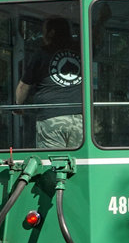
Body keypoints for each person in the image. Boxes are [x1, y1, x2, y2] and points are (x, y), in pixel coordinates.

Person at [16, 16, 83, 149]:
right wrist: (101, 20)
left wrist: (18, 105)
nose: (42, 35)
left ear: (51, 32)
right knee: (77, 162)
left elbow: (24, 86)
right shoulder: (80, 49)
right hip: (79, 117)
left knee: (51, 162)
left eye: (43, 31)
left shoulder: (42, 53)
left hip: (51, 118)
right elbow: (97, 38)